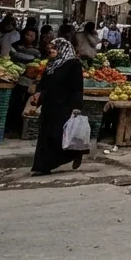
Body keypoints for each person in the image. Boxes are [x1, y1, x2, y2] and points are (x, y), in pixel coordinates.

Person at [29, 38, 87, 176]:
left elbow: (77, 88)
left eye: (55, 48)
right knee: (45, 135)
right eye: (51, 48)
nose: (52, 51)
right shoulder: (52, 64)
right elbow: (43, 83)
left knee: (58, 135)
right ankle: (42, 166)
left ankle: (74, 153)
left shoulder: (73, 64)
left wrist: (76, 107)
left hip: (64, 105)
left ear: (63, 49)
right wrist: (38, 94)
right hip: (49, 104)